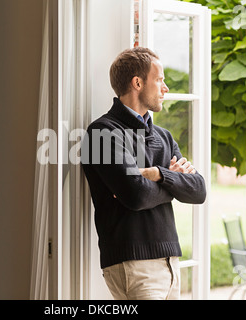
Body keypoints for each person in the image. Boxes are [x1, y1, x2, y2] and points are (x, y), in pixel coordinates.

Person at [81, 47, 207, 300]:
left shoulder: (163, 136)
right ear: (137, 82)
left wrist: (160, 175)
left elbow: (198, 190)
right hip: (134, 264)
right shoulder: (102, 133)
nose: (166, 88)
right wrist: (173, 182)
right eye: (159, 79)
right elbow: (136, 196)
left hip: (171, 262)